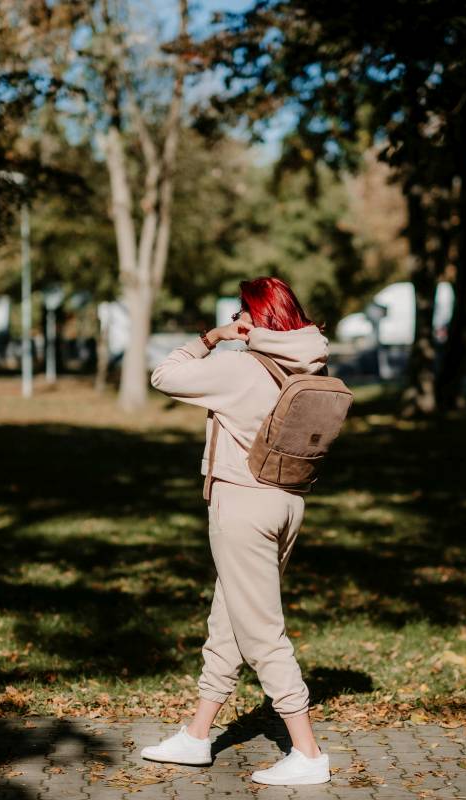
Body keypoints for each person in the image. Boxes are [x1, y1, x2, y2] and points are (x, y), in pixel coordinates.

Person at [140, 277, 331, 786]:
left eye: (238, 312)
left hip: (242, 503)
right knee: (229, 620)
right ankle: (198, 735)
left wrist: (210, 337)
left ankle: (308, 753)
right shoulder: (308, 360)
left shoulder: (238, 366)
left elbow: (164, 374)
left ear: (250, 316)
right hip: (289, 502)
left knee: (262, 632)